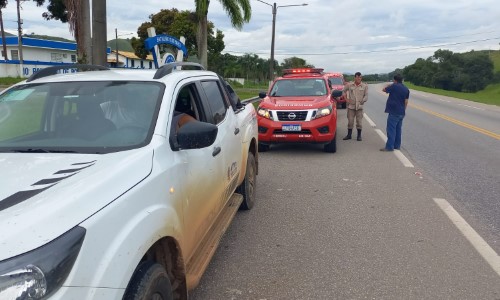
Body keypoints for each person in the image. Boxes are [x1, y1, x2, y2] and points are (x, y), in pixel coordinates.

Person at [380, 73, 410, 152]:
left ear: (394, 80)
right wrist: (404, 110)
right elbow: (406, 101)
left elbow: (384, 90)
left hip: (394, 112)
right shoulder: (406, 89)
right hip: (401, 112)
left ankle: (389, 147)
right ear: (402, 80)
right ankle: (397, 145)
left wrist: (388, 85)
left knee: (391, 129)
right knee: (398, 129)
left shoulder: (393, 86)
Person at [342, 72, 368, 141]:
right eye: (357, 77)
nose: (359, 78)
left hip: (359, 107)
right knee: (350, 121)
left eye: (360, 77)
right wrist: (346, 99)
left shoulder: (364, 86)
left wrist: (363, 100)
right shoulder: (350, 85)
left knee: (359, 122)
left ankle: (359, 136)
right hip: (351, 106)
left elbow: (366, 95)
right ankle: (349, 135)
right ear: (355, 78)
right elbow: (343, 91)